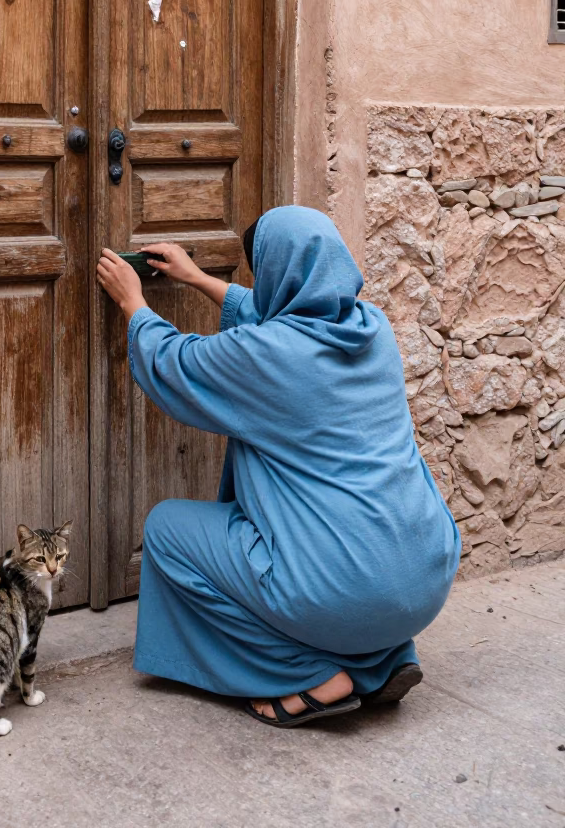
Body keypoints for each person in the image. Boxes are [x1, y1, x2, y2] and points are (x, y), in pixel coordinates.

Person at [96, 206, 460, 728]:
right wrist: (198, 278)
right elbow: (285, 319)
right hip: (426, 577)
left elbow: (173, 360)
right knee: (349, 558)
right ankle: (385, 660)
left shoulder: (266, 355)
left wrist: (134, 304)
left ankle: (309, 673)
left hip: (345, 590)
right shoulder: (372, 328)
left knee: (167, 530)